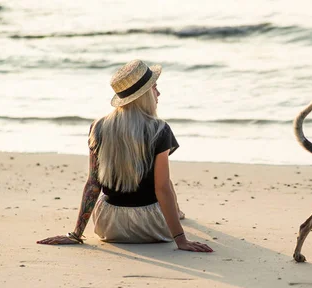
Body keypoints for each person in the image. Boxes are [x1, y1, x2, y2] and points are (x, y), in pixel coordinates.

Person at [37, 60, 213, 252]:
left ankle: (177, 212)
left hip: (109, 226)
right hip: (152, 227)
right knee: (165, 181)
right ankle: (177, 213)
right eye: (155, 87)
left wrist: (76, 234)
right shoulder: (159, 130)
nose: (159, 93)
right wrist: (181, 240)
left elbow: (93, 184)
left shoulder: (99, 127)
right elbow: (161, 188)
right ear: (144, 95)